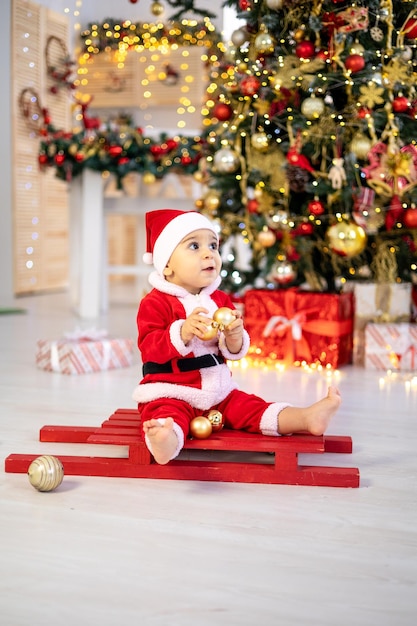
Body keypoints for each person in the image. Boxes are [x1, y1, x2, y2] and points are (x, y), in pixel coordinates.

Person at [132, 209, 341, 465]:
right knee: (166, 414)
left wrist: (234, 337)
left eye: (213, 245)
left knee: (252, 408)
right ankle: (165, 440)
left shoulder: (219, 300)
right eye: (194, 246)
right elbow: (149, 348)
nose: (209, 253)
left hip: (221, 394)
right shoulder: (155, 302)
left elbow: (232, 350)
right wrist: (182, 332)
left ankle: (306, 418)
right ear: (166, 265)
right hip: (172, 392)